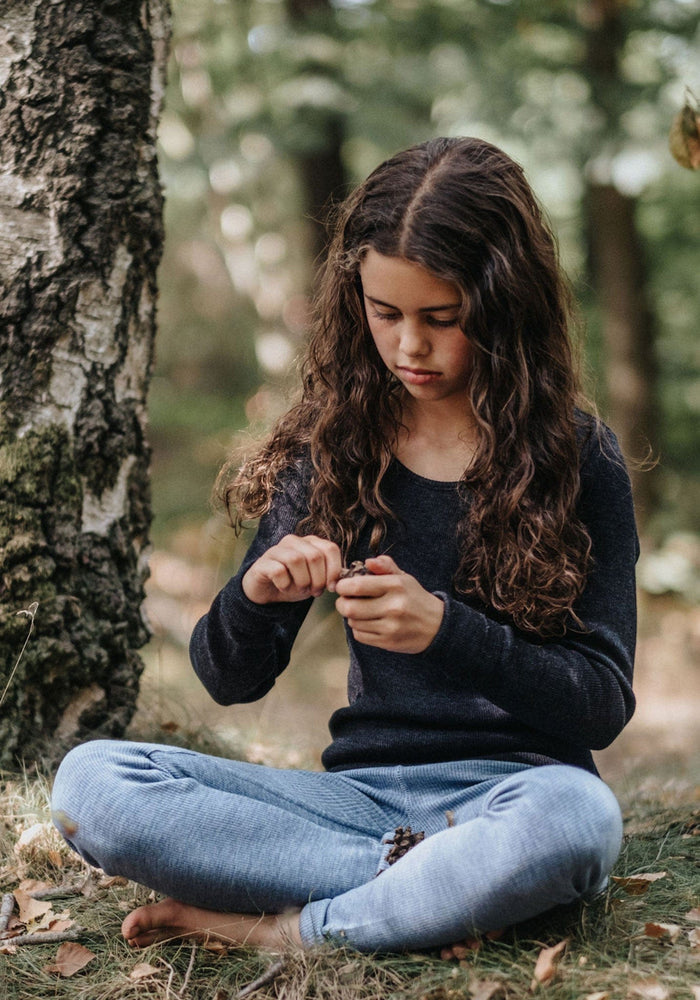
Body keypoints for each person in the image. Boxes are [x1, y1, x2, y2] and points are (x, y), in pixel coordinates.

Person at [51, 136, 638, 955]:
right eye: (384, 313)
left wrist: (446, 631)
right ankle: (432, 891)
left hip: (518, 796)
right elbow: (228, 678)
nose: (409, 347)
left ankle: (299, 931)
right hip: (353, 805)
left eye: (441, 319)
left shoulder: (580, 460)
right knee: (93, 784)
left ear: (505, 304)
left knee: (580, 822)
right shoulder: (336, 448)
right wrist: (257, 595)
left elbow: (602, 705)